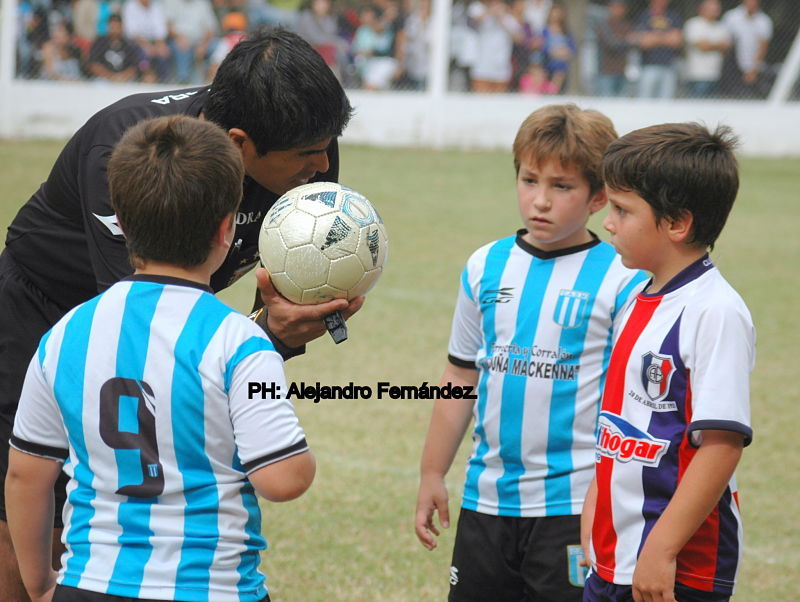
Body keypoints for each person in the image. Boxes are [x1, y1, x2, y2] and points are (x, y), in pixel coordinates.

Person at [0, 27, 358, 601]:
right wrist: (261, 341)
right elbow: (150, 339)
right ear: (240, 145)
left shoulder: (305, 144)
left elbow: (214, 318)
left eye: (328, 144)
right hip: (44, 308)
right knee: (29, 503)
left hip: (158, 308)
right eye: (306, 154)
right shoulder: (132, 156)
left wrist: (279, 329)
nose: (322, 165)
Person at [414, 104, 648, 600]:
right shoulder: (485, 265)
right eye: (529, 180)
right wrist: (432, 472)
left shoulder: (622, 277)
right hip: (488, 499)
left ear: (599, 197)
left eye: (562, 186)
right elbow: (460, 376)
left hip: (574, 504)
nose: (539, 200)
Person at [582, 122, 754, 601]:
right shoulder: (636, 296)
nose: (609, 223)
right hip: (614, 554)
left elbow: (721, 445)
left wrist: (660, 550)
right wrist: (595, 508)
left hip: (677, 567)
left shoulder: (715, 312)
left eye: (622, 209)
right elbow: (619, 422)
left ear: (677, 223)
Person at [721, 0, 773, 98]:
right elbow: (726, 43)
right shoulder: (731, 17)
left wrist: (754, 70)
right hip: (733, 68)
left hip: (755, 69)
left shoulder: (764, 21)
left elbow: (763, 47)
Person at [632, 0, 682, 99]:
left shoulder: (673, 17)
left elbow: (677, 41)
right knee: (644, 100)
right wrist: (666, 36)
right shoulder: (644, 16)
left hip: (669, 66)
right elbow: (643, 42)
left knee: (666, 102)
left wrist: (654, 36)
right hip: (648, 66)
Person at [684, 0, 730, 98]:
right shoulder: (693, 24)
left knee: (713, 110)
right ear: (702, 9)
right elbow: (702, 47)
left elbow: (726, 47)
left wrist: (709, 44)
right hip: (697, 76)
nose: (716, 12)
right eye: (712, 9)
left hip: (716, 75)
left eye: (717, 9)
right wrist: (718, 45)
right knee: (696, 109)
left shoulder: (721, 26)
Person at [87, 14, 144, 83]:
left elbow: (134, 67)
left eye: (117, 27)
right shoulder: (99, 43)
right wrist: (110, 76)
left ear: (121, 27)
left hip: (124, 79)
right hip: (103, 78)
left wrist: (122, 77)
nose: (114, 30)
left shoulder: (129, 44)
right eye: (112, 27)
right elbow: (94, 65)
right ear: (108, 27)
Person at [594, 0, 632, 97]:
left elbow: (635, 42)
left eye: (619, 7)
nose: (617, 10)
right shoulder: (603, 26)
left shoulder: (627, 26)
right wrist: (626, 40)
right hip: (606, 71)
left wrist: (621, 40)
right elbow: (612, 44)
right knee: (605, 104)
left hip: (623, 71)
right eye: (614, 7)